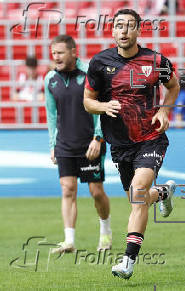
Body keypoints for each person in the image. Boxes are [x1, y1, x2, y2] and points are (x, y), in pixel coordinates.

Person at [83, 9, 180, 280]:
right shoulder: (100, 63)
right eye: (119, 26)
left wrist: (165, 111)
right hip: (120, 143)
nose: (124, 31)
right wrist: (103, 106)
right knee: (136, 199)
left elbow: (173, 85)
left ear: (139, 31)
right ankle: (163, 193)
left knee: (137, 192)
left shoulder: (156, 60)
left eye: (129, 26)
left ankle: (127, 261)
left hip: (151, 138)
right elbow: (87, 102)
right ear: (113, 31)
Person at [45, 35, 112, 254]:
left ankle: (105, 233)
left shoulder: (90, 74)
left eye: (60, 52)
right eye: (53, 53)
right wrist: (53, 144)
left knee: (96, 191)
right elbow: (52, 115)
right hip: (64, 144)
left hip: (91, 143)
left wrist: (98, 137)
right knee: (67, 189)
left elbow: (102, 108)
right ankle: (69, 241)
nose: (56, 57)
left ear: (74, 52)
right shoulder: (50, 80)